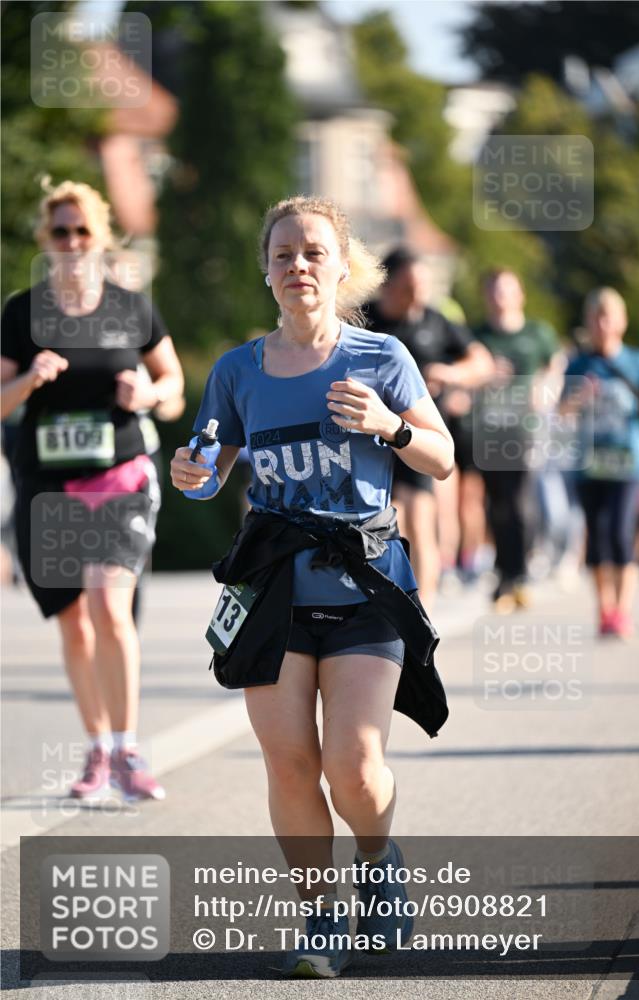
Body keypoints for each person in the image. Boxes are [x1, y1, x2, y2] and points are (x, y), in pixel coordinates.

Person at [171, 197, 454, 978]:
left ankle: (377, 856)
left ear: (340, 266)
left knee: (354, 766)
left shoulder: (381, 359)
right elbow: (205, 469)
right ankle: (322, 918)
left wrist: (389, 427)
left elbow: (441, 457)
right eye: (284, 254)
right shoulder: (238, 370)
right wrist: (190, 472)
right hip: (272, 589)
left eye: (313, 252)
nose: (299, 265)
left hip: (366, 582)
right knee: (291, 765)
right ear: (266, 271)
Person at [0, 180, 184, 800]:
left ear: (100, 237)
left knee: (109, 604)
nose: (73, 241)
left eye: (83, 230)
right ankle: (99, 750)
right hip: (47, 486)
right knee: (76, 624)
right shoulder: (21, 313)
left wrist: (150, 395)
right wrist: (28, 379)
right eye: (61, 231)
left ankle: (128, 749)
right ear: (45, 240)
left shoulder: (132, 308)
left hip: (121, 477)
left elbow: (174, 382)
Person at [364, 248, 492, 610]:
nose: (418, 294)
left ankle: (424, 609)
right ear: (387, 285)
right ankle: (381, 603)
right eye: (409, 286)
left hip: (416, 437)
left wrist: (451, 374)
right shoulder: (364, 320)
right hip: (369, 438)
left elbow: (481, 362)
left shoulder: (435, 321)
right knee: (385, 522)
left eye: (423, 285)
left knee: (421, 521)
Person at [561, 288, 639, 637]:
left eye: (609, 317)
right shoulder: (579, 364)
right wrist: (579, 396)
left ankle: (622, 611)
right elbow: (561, 411)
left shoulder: (637, 360)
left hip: (628, 463)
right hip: (590, 465)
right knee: (598, 537)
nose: (603, 324)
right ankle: (604, 609)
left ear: (621, 322)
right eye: (597, 317)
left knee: (621, 532)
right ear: (589, 322)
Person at [473, 268, 561, 612]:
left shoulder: (537, 333)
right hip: (488, 429)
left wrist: (546, 390)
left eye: (507, 290)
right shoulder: (478, 336)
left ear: (520, 295)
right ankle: (504, 572)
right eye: (494, 290)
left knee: (521, 499)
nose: (500, 297)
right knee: (495, 504)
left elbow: (555, 365)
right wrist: (482, 376)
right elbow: (466, 367)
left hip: (525, 429)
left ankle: (519, 573)